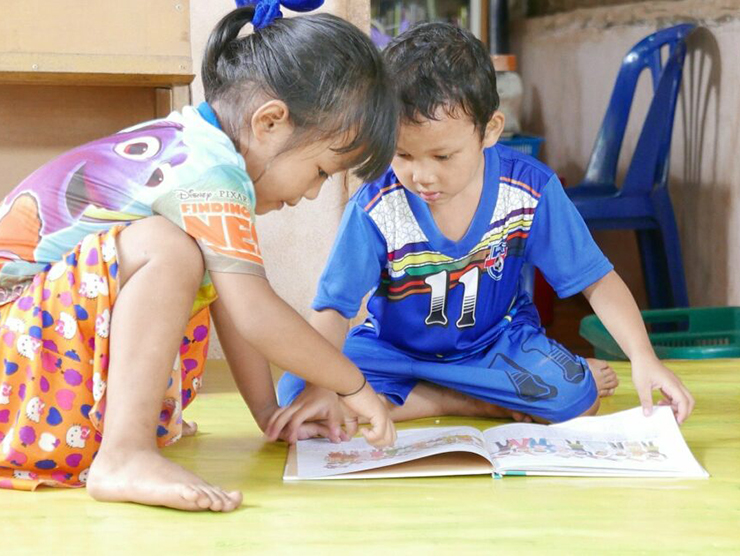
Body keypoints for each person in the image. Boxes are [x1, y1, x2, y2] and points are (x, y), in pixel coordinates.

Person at [0, 6, 398, 512]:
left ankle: (126, 447)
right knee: (167, 249)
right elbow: (255, 312)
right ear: (270, 121)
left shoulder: (198, 149)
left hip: (31, 362)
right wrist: (354, 385)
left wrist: (267, 412)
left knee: (199, 259)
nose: (314, 194)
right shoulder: (209, 173)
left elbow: (237, 307)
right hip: (16, 360)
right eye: (321, 170)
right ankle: (124, 454)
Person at [273, 22, 694, 441]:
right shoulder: (376, 206)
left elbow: (596, 280)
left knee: (578, 399)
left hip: (494, 347)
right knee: (297, 391)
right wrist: (318, 387)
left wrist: (643, 357)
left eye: (442, 155)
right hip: (391, 352)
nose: (422, 175)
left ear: (490, 130)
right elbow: (332, 309)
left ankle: (431, 398)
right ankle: (467, 402)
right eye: (401, 154)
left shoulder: (529, 189)